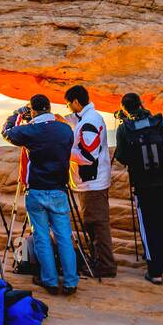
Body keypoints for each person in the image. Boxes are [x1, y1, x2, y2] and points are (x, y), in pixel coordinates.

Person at [3, 95, 78, 295]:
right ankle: (70, 282)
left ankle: (50, 281)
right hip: (58, 190)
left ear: (32, 110)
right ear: (50, 107)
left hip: (36, 190)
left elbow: (7, 133)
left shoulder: (30, 131)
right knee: (64, 237)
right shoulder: (64, 129)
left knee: (42, 237)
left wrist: (16, 115)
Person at [114, 93, 163, 284]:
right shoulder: (161, 121)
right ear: (142, 104)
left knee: (150, 227)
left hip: (143, 186)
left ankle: (155, 272)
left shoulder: (124, 129)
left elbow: (121, 156)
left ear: (124, 109)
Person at [64, 85, 116, 277]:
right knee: (92, 224)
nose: (68, 108)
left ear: (76, 102)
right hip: (90, 181)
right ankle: (100, 262)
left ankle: (106, 266)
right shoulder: (87, 118)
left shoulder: (90, 122)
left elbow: (88, 156)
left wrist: (64, 151)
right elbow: (72, 121)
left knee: (97, 224)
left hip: (93, 183)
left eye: (69, 104)